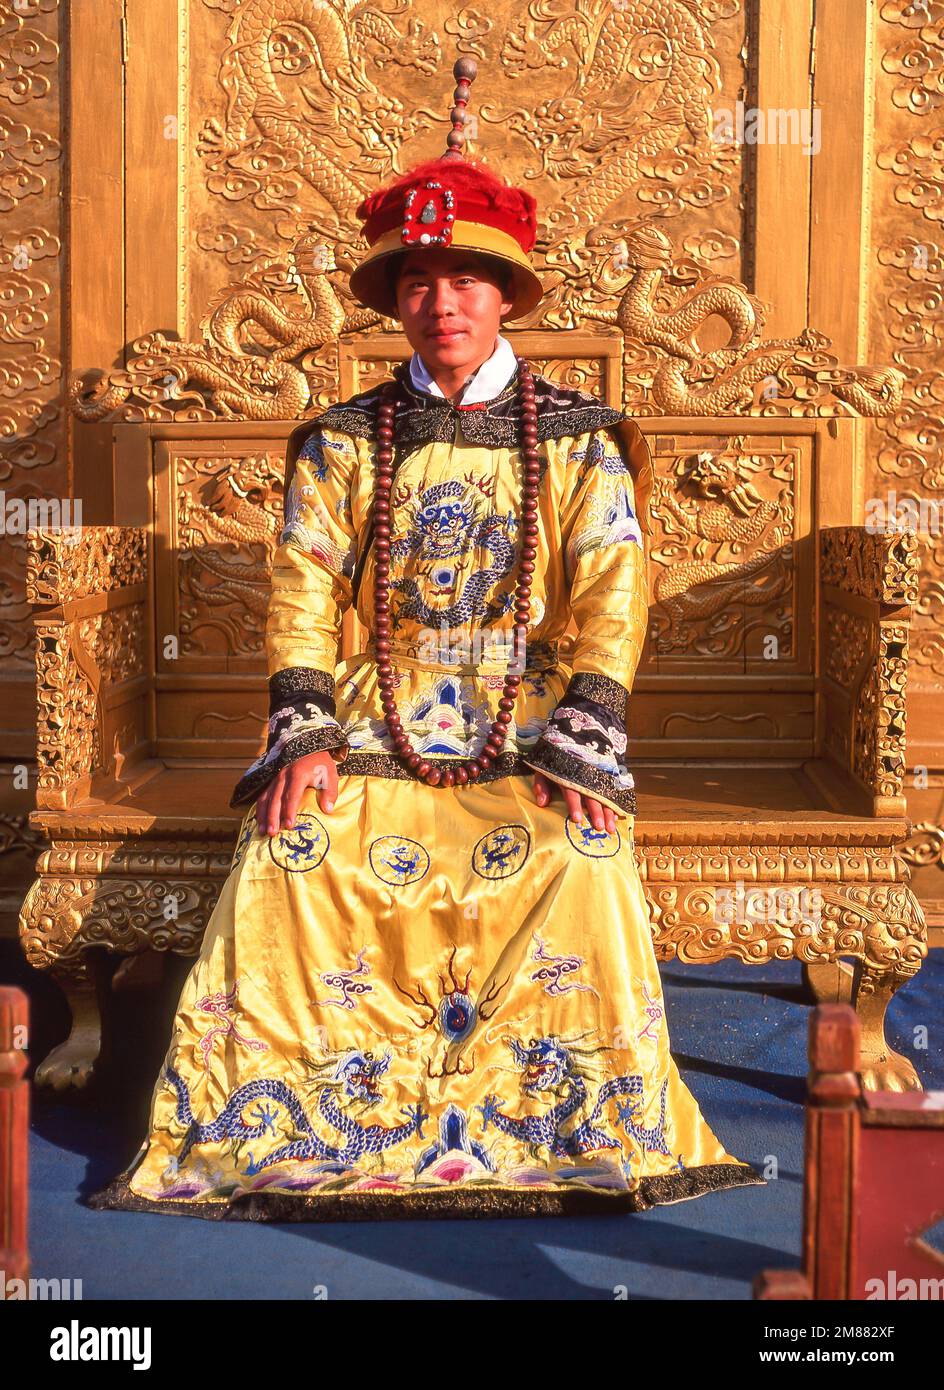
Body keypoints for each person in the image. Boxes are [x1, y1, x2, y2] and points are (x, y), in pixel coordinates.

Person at [87, 63, 765, 1221]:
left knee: (578, 855)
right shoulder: (341, 439)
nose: (440, 302)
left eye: (464, 279)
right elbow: (301, 584)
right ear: (392, 300)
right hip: (376, 700)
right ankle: (294, 1126)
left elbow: (611, 586)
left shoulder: (580, 437)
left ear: (506, 296)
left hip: (534, 712)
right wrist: (302, 728)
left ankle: (556, 1124)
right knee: (291, 850)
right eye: (416, 280)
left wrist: (583, 735)